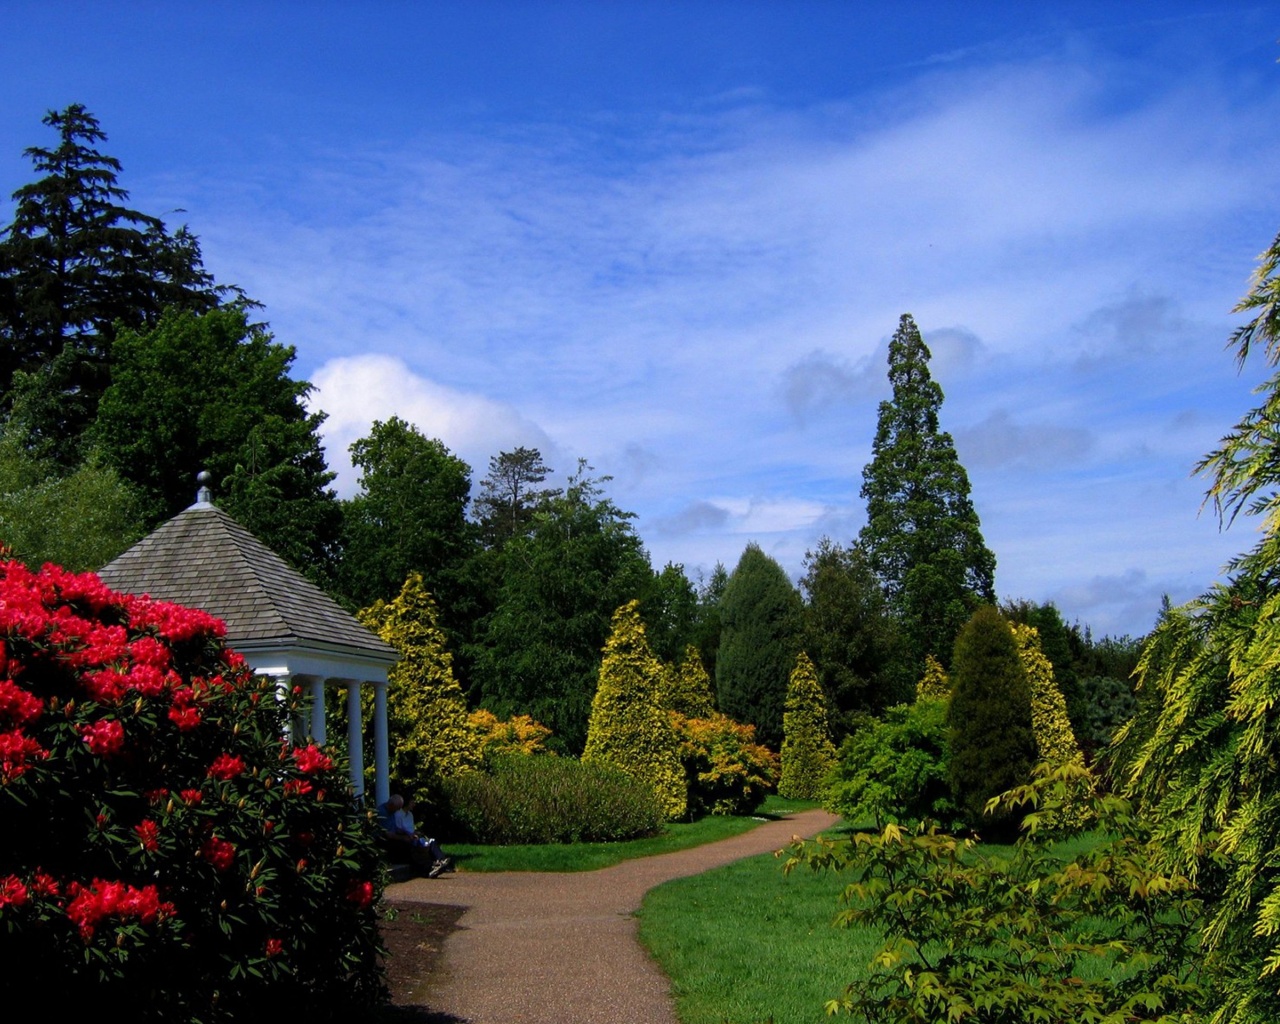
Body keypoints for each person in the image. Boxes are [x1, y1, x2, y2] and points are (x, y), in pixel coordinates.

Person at [384, 793, 451, 878]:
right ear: (407, 803)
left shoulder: (410, 815)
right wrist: (409, 835)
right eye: (412, 802)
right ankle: (431, 867)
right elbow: (398, 829)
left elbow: (412, 829)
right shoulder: (398, 815)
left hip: (413, 837)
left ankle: (441, 861)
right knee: (415, 849)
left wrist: (416, 834)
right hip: (406, 838)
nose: (414, 805)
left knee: (431, 841)